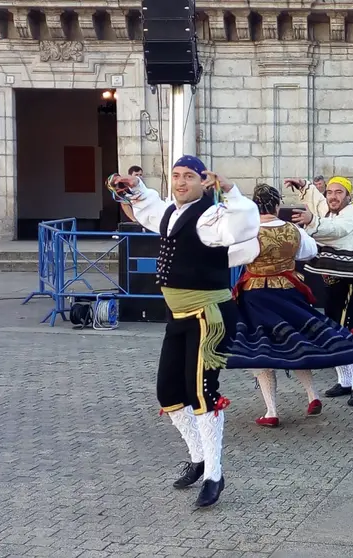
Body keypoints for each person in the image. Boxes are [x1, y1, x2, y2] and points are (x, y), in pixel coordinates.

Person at [109, 155, 260, 508]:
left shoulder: (211, 215)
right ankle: (199, 458)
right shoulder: (171, 212)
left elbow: (241, 227)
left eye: (188, 176)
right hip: (179, 316)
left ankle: (215, 474)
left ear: (202, 181)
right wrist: (136, 189)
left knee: (203, 393)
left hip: (210, 316)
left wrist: (231, 192)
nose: (180, 182)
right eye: (176, 176)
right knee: (168, 392)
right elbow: (149, 210)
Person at [226, 183, 353, 426]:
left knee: (262, 352)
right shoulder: (293, 230)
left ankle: (271, 411)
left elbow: (234, 257)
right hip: (289, 292)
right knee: (297, 343)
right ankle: (312, 395)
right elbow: (309, 252)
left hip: (257, 296)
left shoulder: (250, 231)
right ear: (278, 205)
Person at [287, 176, 353, 406]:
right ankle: (344, 381)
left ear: (348, 196)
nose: (333, 196)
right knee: (334, 328)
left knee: (346, 330)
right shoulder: (331, 208)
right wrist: (304, 187)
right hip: (335, 277)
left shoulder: (352, 213)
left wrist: (312, 219)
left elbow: (335, 230)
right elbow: (319, 202)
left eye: (339, 193)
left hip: (352, 279)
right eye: (331, 192)